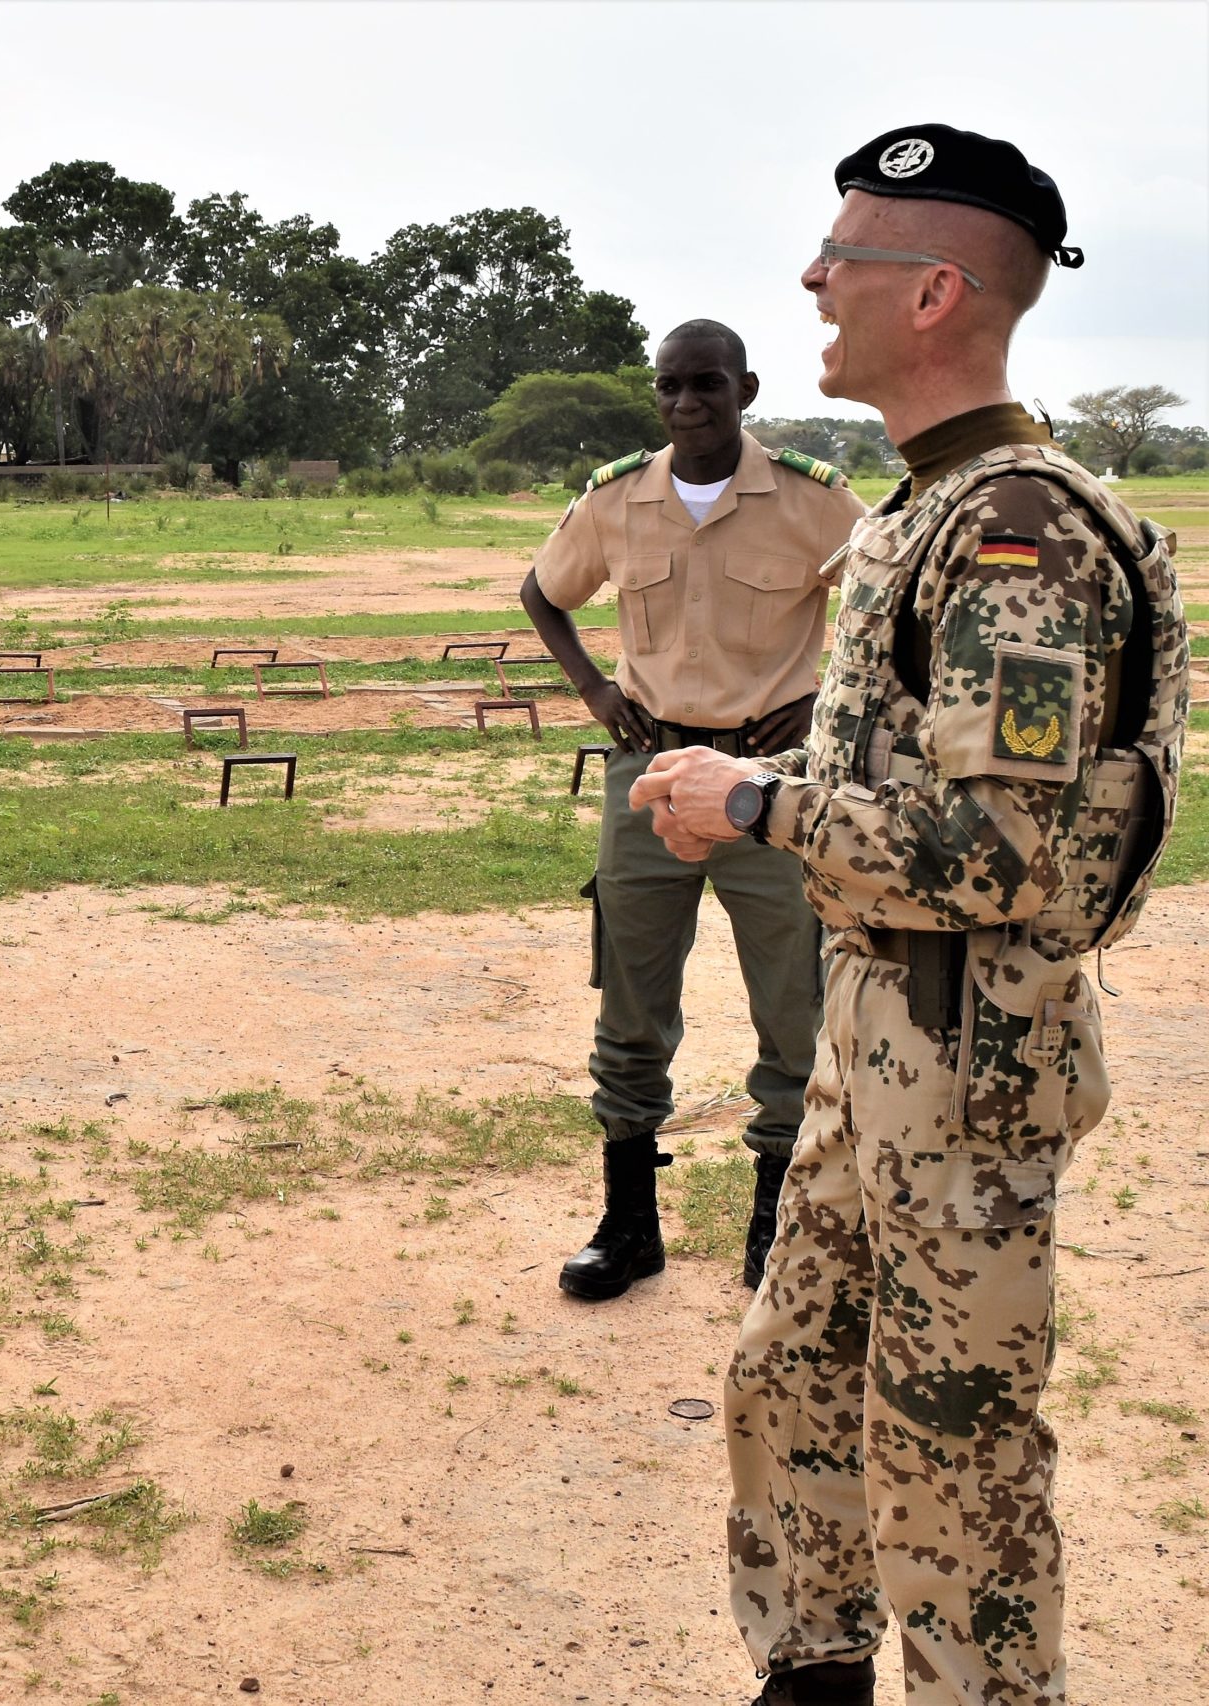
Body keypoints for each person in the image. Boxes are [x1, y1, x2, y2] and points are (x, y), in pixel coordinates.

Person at [632, 126, 1186, 1706]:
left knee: (957, 1454)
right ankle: (813, 1669)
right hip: (878, 1045)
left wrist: (757, 805)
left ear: (935, 293)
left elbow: (1004, 852)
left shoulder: (1023, 530)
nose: (812, 278)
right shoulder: (927, 507)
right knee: (793, 1370)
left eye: (845, 256)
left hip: (969, 1068)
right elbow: (911, 771)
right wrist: (767, 782)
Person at [523, 322, 866, 1302]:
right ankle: (628, 1226)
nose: (686, 404)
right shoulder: (617, 498)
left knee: (794, 1009)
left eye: (706, 384)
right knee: (630, 1006)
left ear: (744, 389)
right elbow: (543, 593)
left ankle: (774, 1232)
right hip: (651, 776)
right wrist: (594, 689)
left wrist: (829, 698)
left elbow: (894, 607)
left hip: (769, 785)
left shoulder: (813, 498)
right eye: (669, 386)